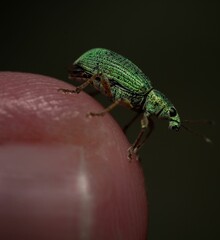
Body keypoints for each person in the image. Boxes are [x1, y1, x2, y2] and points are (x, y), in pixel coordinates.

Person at [0, 72, 147, 240]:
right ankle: (78, 92)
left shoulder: (143, 106)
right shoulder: (141, 91)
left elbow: (145, 125)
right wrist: (101, 114)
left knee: (148, 126)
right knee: (103, 78)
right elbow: (120, 99)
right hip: (100, 72)